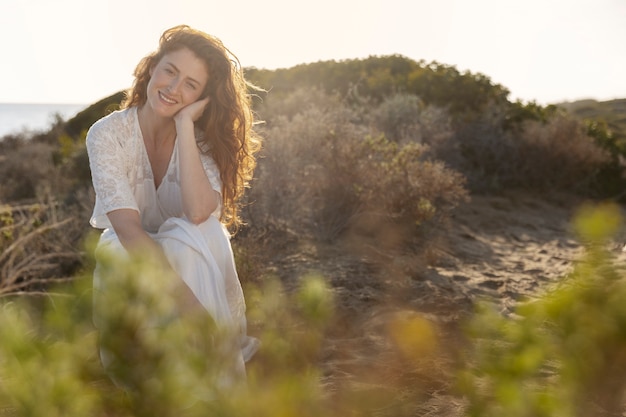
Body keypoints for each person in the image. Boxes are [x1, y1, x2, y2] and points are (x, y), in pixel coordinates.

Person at [86, 25, 262, 383]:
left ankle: (205, 375)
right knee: (121, 250)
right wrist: (189, 306)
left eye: (191, 85)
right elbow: (128, 229)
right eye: (170, 71)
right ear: (152, 67)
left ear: (202, 98)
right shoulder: (106, 134)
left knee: (200, 231)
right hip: (130, 251)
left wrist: (184, 127)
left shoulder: (202, 142)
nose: (173, 88)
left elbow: (199, 212)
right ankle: (158, 377)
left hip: (188, 255)